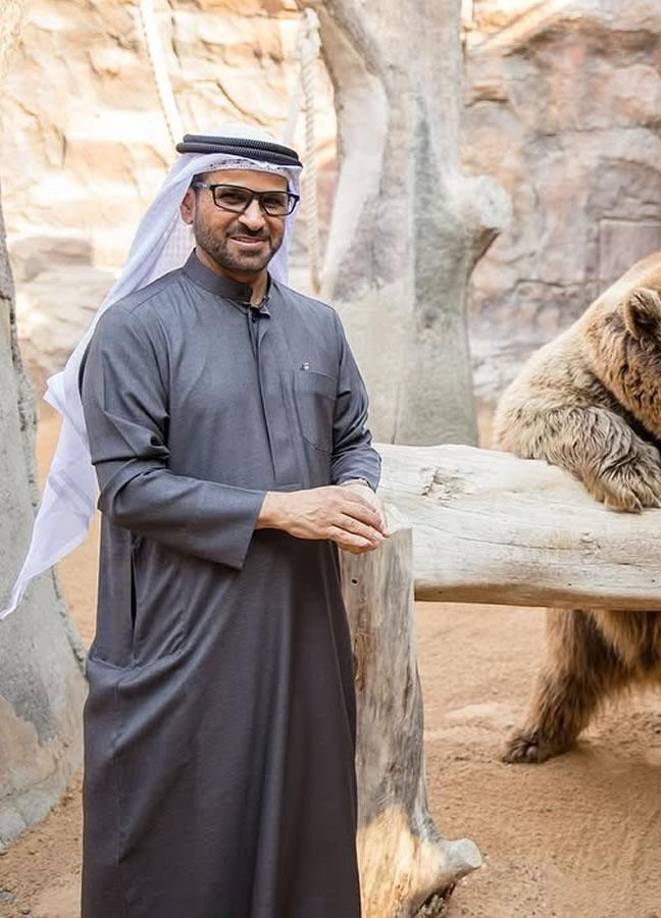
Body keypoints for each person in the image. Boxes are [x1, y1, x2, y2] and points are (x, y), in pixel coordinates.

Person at [67, 126, 385, 917]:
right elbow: (129, 487)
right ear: (190, 204)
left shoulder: (319, 326)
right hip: (183, 631)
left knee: (304, 814)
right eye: (231, 198)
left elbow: (355, 442)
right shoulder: (137, 328)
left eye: (271, 203)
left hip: (302, 627)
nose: (252, 219)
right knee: (180, 819)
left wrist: (357, 486)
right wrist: (280, 509)